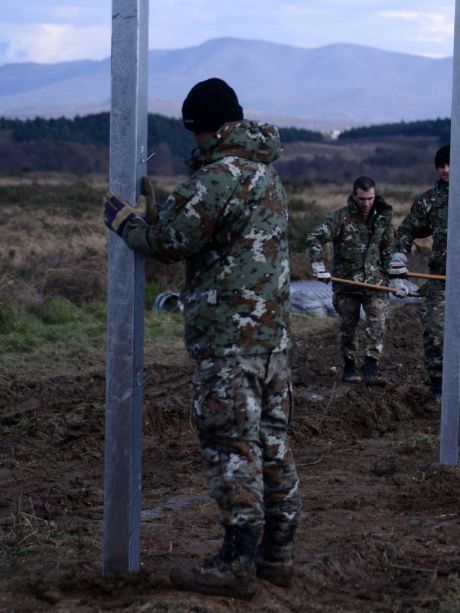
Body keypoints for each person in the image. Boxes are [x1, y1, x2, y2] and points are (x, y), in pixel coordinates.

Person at [103, 78, 300, 598]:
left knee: (231, 444)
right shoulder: (266, 174)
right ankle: (277, 555)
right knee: (272, 442)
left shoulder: (218, 177)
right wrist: (168, 208)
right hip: (272, 341)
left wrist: (127, 224)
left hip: (228, 343)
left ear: (204, 128)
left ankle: (237, 562)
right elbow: (209, 231)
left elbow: (170, 240)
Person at [389, 145, 460, 411]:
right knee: (434, 332)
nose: (445, 170)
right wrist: (399, 259)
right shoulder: (429, 200)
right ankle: (438, 391)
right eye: (441, 166)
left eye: (450, 165)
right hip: (441, 278)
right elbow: (406, 231)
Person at [305, 176, 397, 385]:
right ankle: (349, 366)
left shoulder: (383, 220)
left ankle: (371, 368)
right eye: (362, 199)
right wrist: (319, 265)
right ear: (354, 196)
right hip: (347, 285)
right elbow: (315, 237)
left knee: (377, 323)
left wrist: (396, 277)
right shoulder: (340, 218)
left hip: (375, 284)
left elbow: (390, 251)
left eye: (370, 198)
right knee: (348, 327)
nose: (366, 203)